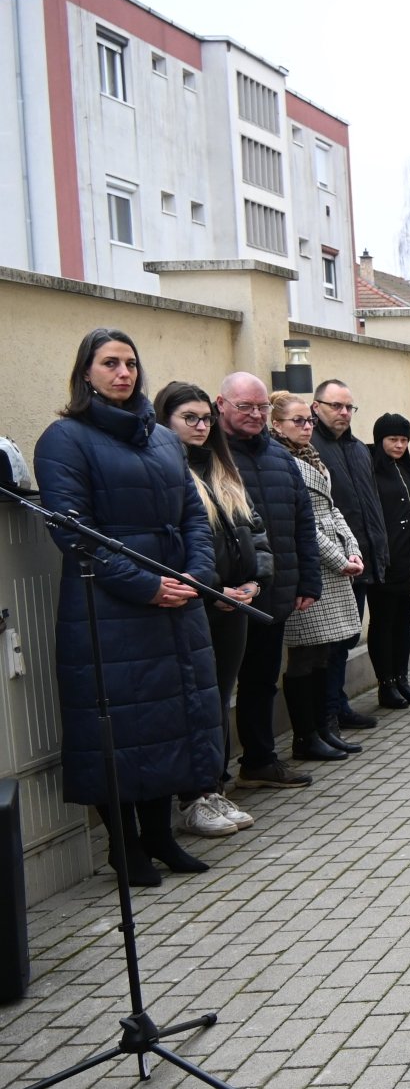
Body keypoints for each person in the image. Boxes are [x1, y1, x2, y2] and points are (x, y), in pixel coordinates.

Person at [33, 330, 224, 885]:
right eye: (110, 363)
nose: (123, 373)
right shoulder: (65, 439)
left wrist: (197, 574)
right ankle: (125, 847)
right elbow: (75, 534)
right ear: (85, 373)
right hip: (109, 608)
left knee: (170, 721)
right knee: (118, 728)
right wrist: (146, 586)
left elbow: (194, 514)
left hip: (177, 601)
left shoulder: (163, 440)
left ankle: (161, 837)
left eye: (131, 363)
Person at [154, 381, 270, 837]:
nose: (201, 427)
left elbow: (255, 532)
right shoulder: (166, 470)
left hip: (235, 603)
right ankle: (192, 797)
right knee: (194, 700)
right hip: (195, 603)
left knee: (220, 697)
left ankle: (213, 785)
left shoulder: (224, 467)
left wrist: (255, 581)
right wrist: (211, 590)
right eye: (189, 418)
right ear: (165, 421)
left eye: (205, 419)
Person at [218, 371, 321, 790]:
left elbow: (303, 522)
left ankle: (259, 760)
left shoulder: (281, 457)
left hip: (274, 593)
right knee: (218, 687)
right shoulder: (210, 454)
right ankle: (212, 777)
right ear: (221, 404)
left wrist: (308, 581)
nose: (255, 414)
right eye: (245, 406)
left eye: (261, 407)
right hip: (225, 596)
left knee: (261, 682)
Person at [268, 392, 366, 763]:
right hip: (309, 566)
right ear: (277, 425)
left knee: (325, 652)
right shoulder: (281, 461)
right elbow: (304, 523)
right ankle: (306, 736)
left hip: (331, 563)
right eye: (298, 421)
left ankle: (325, 728)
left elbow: (332, 509)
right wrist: (340, 560)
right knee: (305, 656)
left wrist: (353, 549)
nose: (307, 426)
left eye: (308, 420)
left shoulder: (312, 457)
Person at [310, 378, 386, 734]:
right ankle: (327, 713)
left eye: (348, 407)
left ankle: (338, 705)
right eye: (335, 406)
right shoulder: (310, 450)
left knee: (348, 638)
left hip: (360, 559)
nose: (343, 413)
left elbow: (370, 506)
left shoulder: (358, 449)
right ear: (316, 407)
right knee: (331, 643)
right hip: (330, 564)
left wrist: (377, 551)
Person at [367, 412, 410, 708]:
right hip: (387, 565)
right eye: (393, 439)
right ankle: (386, 684)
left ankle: (402, 679)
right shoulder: (371, 472)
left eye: (404, 440)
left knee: (403, 624)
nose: (400, 445)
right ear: (380, 440)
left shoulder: (409, 471)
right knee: (384, 624)